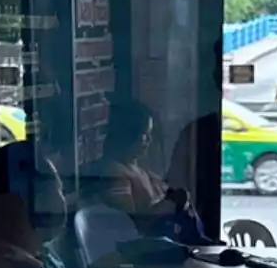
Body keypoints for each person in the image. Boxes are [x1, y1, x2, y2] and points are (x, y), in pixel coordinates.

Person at [80, 98, 203, 245]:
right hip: (142, 249)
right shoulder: (114, 173)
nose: (149, 140)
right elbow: (127, 225)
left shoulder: (144, 172)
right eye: (145, 134)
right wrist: (169, 204)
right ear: (128, 134)